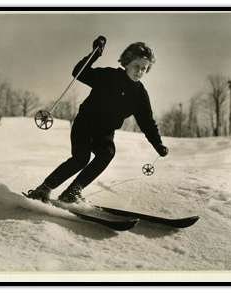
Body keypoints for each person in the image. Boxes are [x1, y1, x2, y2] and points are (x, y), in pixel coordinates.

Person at [27, 36, 168, 204]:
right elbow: (79, 72)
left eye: (144, 69)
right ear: (127, 63)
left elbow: (147, 123)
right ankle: (43, 190)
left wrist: (157, 144)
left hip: (105, 132)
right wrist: (95, 53)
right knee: (80, 158)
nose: (139, 71)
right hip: (85, 123)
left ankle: (72, 192)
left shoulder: (140, 95)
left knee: (107, 153)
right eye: (136, 66)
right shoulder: (109, 75)